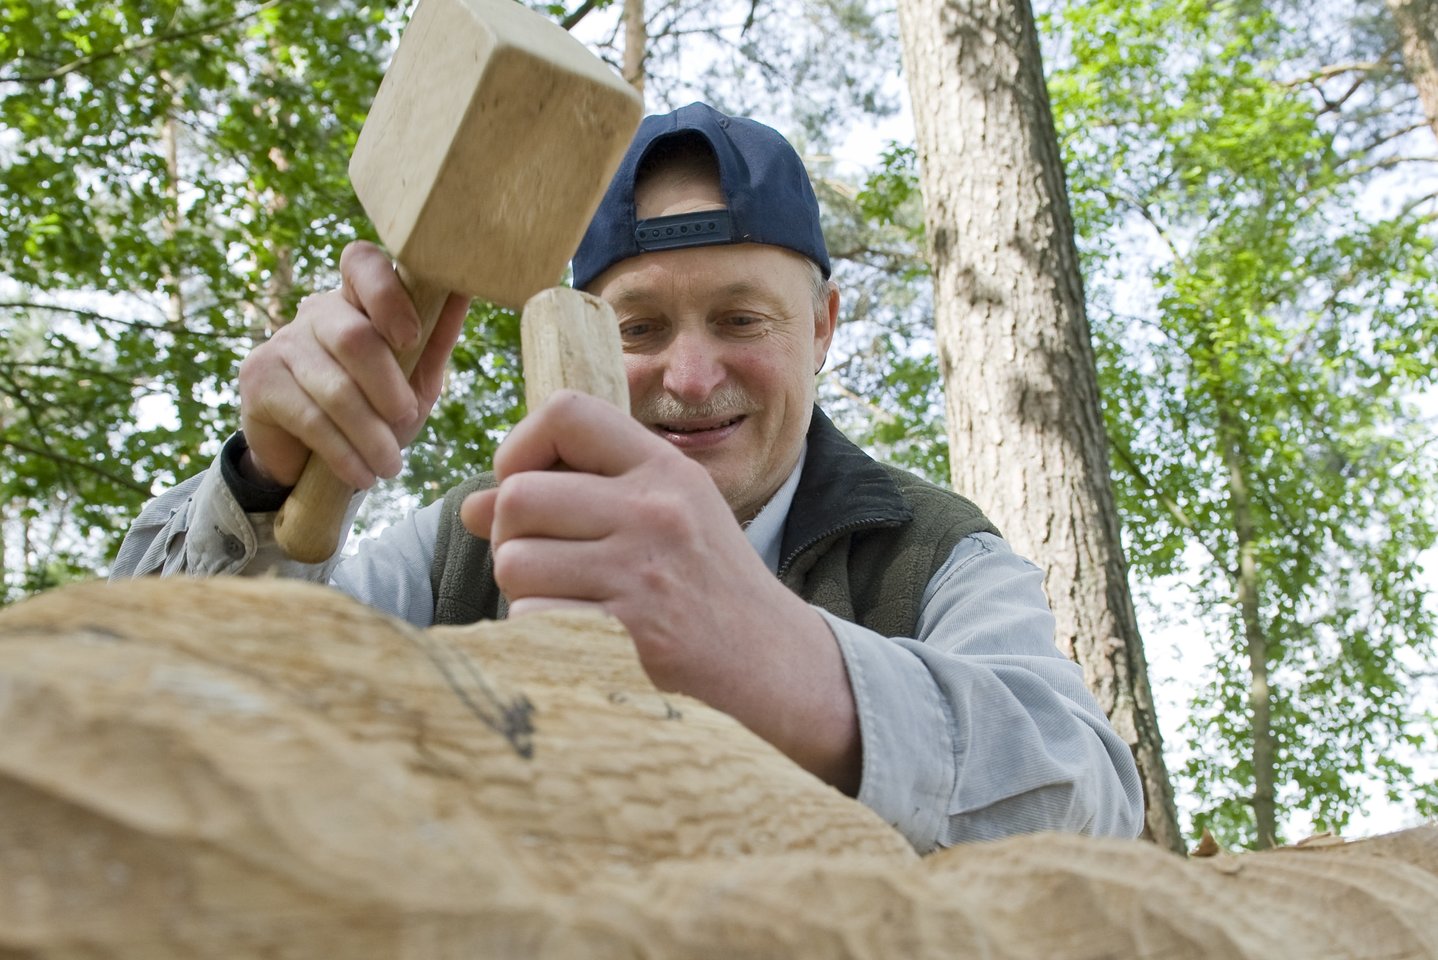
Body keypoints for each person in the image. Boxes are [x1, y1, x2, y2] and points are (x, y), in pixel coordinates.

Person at [113, 102, 1144, 853]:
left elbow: (1094, 797)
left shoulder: (931, 553)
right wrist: (264, 483)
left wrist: (782, 665)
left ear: (822, 327)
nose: (691, 381)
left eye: (743, 319)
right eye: (639, 329)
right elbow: (158, 713)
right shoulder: (474, 543)